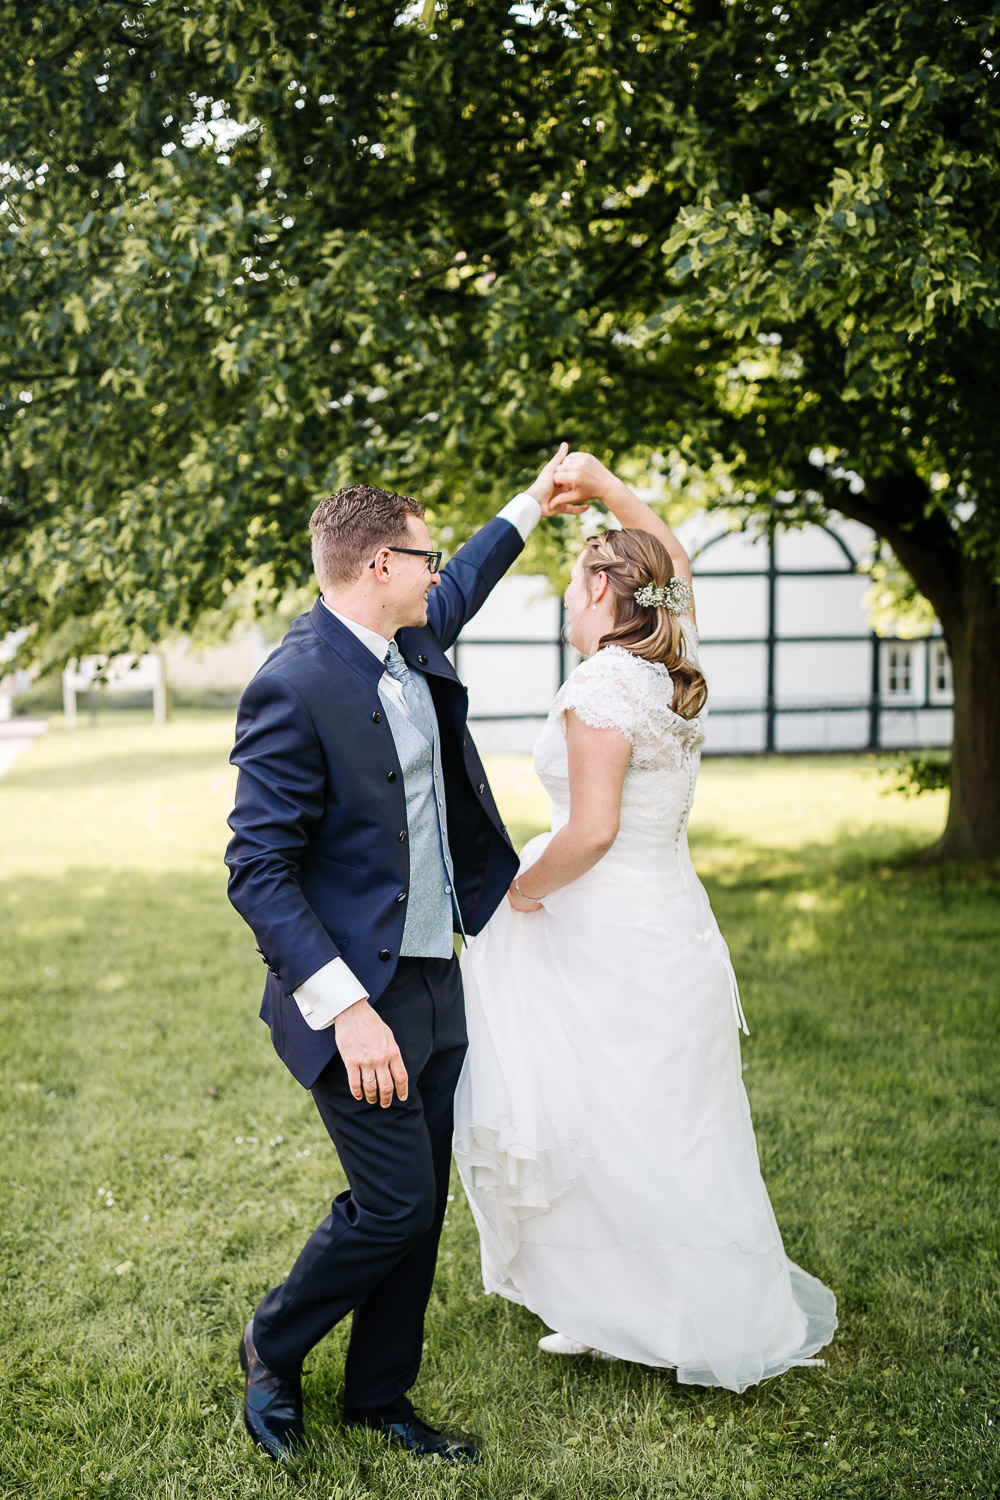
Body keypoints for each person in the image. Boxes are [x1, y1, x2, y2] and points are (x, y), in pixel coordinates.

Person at [225, 448, 584, 1464]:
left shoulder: (410, 636)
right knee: (392, 1207)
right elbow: (257, 870)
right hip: (355, 999)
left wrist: (534, 499)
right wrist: (345, 1008)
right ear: (379, 565)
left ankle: (380, 1397)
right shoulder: (292, 686)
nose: (437, 574)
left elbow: (465, 573)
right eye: (422, 558)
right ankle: (274, 1341)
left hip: (437, 976)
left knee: (419, 1209)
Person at [454, 451, 837, 1392]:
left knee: (605, 1115)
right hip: (673, 921)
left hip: (604, 927)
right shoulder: (670, 660)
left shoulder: (600, 688)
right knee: (667, 1119)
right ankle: (620, 1304)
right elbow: (674, 558)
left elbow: (589, 832)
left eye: (577, 584)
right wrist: (602, 483)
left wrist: (523, 891)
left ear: (604, 593)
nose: (566, 603)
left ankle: (648, 1311)